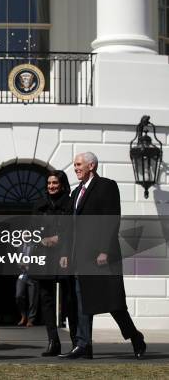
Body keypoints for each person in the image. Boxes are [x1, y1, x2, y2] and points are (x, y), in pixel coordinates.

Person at [59, 152, 146, 360]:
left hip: (103, 257)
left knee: (113, 303)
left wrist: (105, 250)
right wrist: (65, 253)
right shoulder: (75, 193)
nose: (76, 168)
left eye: (79, 164)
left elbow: (111, 218)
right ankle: (83, 345)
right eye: (74, 165)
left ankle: (135, 337)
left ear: (92, 165)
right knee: (83, 301)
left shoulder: (106, 186)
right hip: (81, 258)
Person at [31, 170, 77, 356]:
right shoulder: (39, 204)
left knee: (69, 299)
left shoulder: (70, 202)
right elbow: (32, 228)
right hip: (43, 255)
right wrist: (42, 240)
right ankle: (53, 342)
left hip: (64, 255)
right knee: (46, 300)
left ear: (62, 184)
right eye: (49, 183)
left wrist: (59, 239)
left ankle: (76, 341)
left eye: (55, 183)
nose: (51, 186)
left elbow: (73, 228)